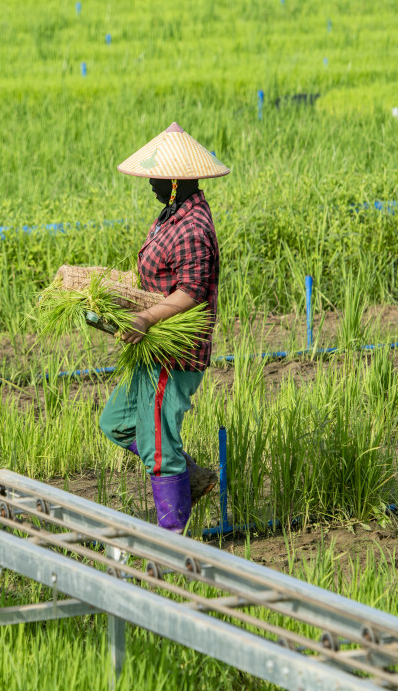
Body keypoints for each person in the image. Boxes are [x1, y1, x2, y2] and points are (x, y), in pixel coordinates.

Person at [98, 122, 229, 533]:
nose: (151, 182)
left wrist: (146, 318)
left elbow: (191, 292)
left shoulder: (193, 227)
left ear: (175, 179)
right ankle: (190, 476)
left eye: (156, 176)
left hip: (174, 354)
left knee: (157, 448)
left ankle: (173, 544)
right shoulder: (171, 213)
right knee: (116, 422)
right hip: (151, 348)